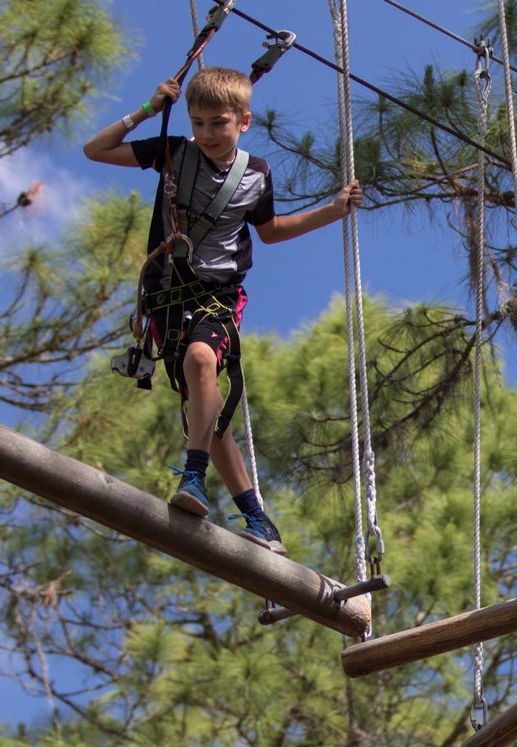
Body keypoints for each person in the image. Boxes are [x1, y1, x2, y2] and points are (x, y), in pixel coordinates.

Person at [84, 67, 362, 555]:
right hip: (166, 296)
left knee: (200, 362)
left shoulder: (255, 175)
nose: (208, 134)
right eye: (199, 123)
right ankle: (259, 520)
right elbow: (96, 150)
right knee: (206, 415)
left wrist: (332, 209)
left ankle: (193, 478)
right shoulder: (173, 153)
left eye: (219, 123)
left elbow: (270, 230)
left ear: (243, 122)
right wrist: (148, 109)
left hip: (217, 294)